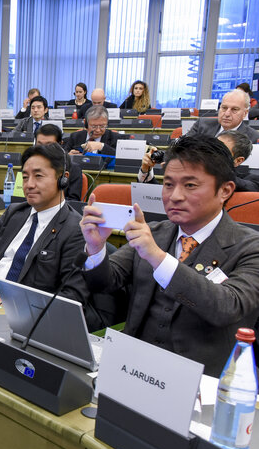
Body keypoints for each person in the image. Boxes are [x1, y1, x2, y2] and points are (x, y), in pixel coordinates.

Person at [79, 136, 259, 376]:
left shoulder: (250, 247)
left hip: (201, 381)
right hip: (132, 367)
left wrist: (158, 258)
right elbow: (106, 281)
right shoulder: (156, 232)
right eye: (168, 184)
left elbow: (226, 306)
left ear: (225, 190)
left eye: (190, 186)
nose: (175, 196)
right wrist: (95, 247)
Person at [0, 143, 102, 331]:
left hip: (20, 317)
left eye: (38, 176)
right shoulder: (15, 212)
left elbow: (71, 296)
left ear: (63, 179)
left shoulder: (75, 229)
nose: (29, 185)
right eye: (25, 177)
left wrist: (13, 304)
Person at [138, 130, 258, 191]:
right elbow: (154, 200)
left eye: (220, 150)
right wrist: (145, 170)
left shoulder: (251, 180)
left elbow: (246, 186)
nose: (211, 153)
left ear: (238, 161)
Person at [185, 89, 259, 141]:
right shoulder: (202, 124)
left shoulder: (252, 137)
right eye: (224, 108)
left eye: (234, 109)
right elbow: (182, 146)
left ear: (245, 113)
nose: (227, 114)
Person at [36, 124, 82, 201]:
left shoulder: (73, 169)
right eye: (39, 145)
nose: (43, 149)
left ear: (60, 144)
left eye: (49, 145)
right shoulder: (29, 166)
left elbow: (73, 202)